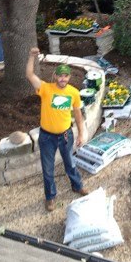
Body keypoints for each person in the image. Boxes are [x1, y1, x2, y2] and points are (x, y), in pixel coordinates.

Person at [25, 48, 89, 212]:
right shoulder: (46, 89)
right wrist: (32, 57)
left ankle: (77, 186)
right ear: (55, 76)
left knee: (70, 163)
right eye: (60, 75)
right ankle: (50, 197)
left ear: (68, 77)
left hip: (66, 135)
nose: (62, 78)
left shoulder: (74, 93)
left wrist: (81, 133)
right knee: (48, 169)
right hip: (47, 137)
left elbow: (78, 114)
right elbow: (30, 75)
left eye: (65, 76)